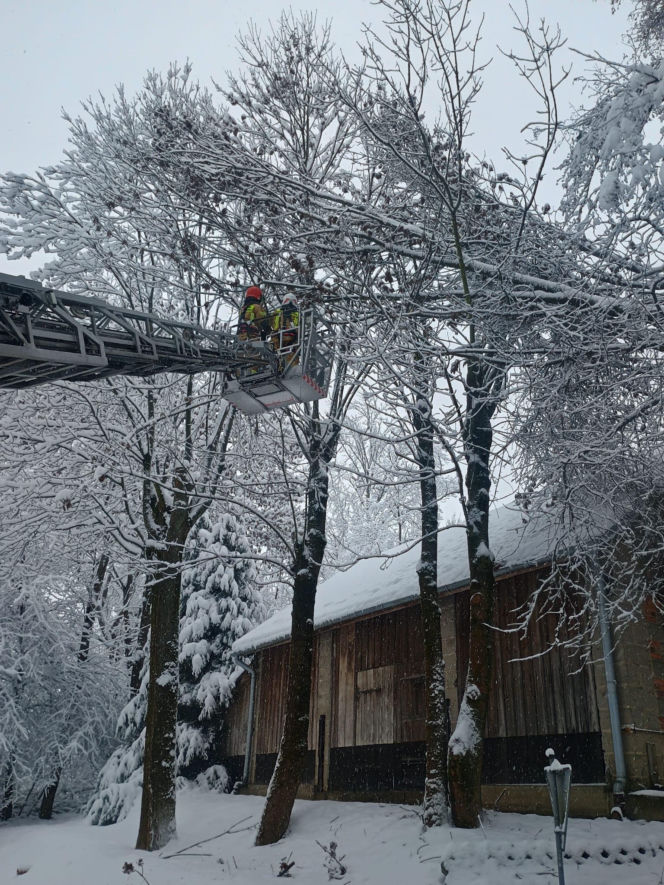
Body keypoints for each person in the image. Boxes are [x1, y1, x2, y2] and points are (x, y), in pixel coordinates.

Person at [271, 292, 300, 367]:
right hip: (292, 339)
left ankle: (279, 367)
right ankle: (291, 372)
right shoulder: (298, 314)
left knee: (277, 356)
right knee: (293, 359)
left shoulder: (277, 313)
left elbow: (272, 325)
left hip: (278, 338)